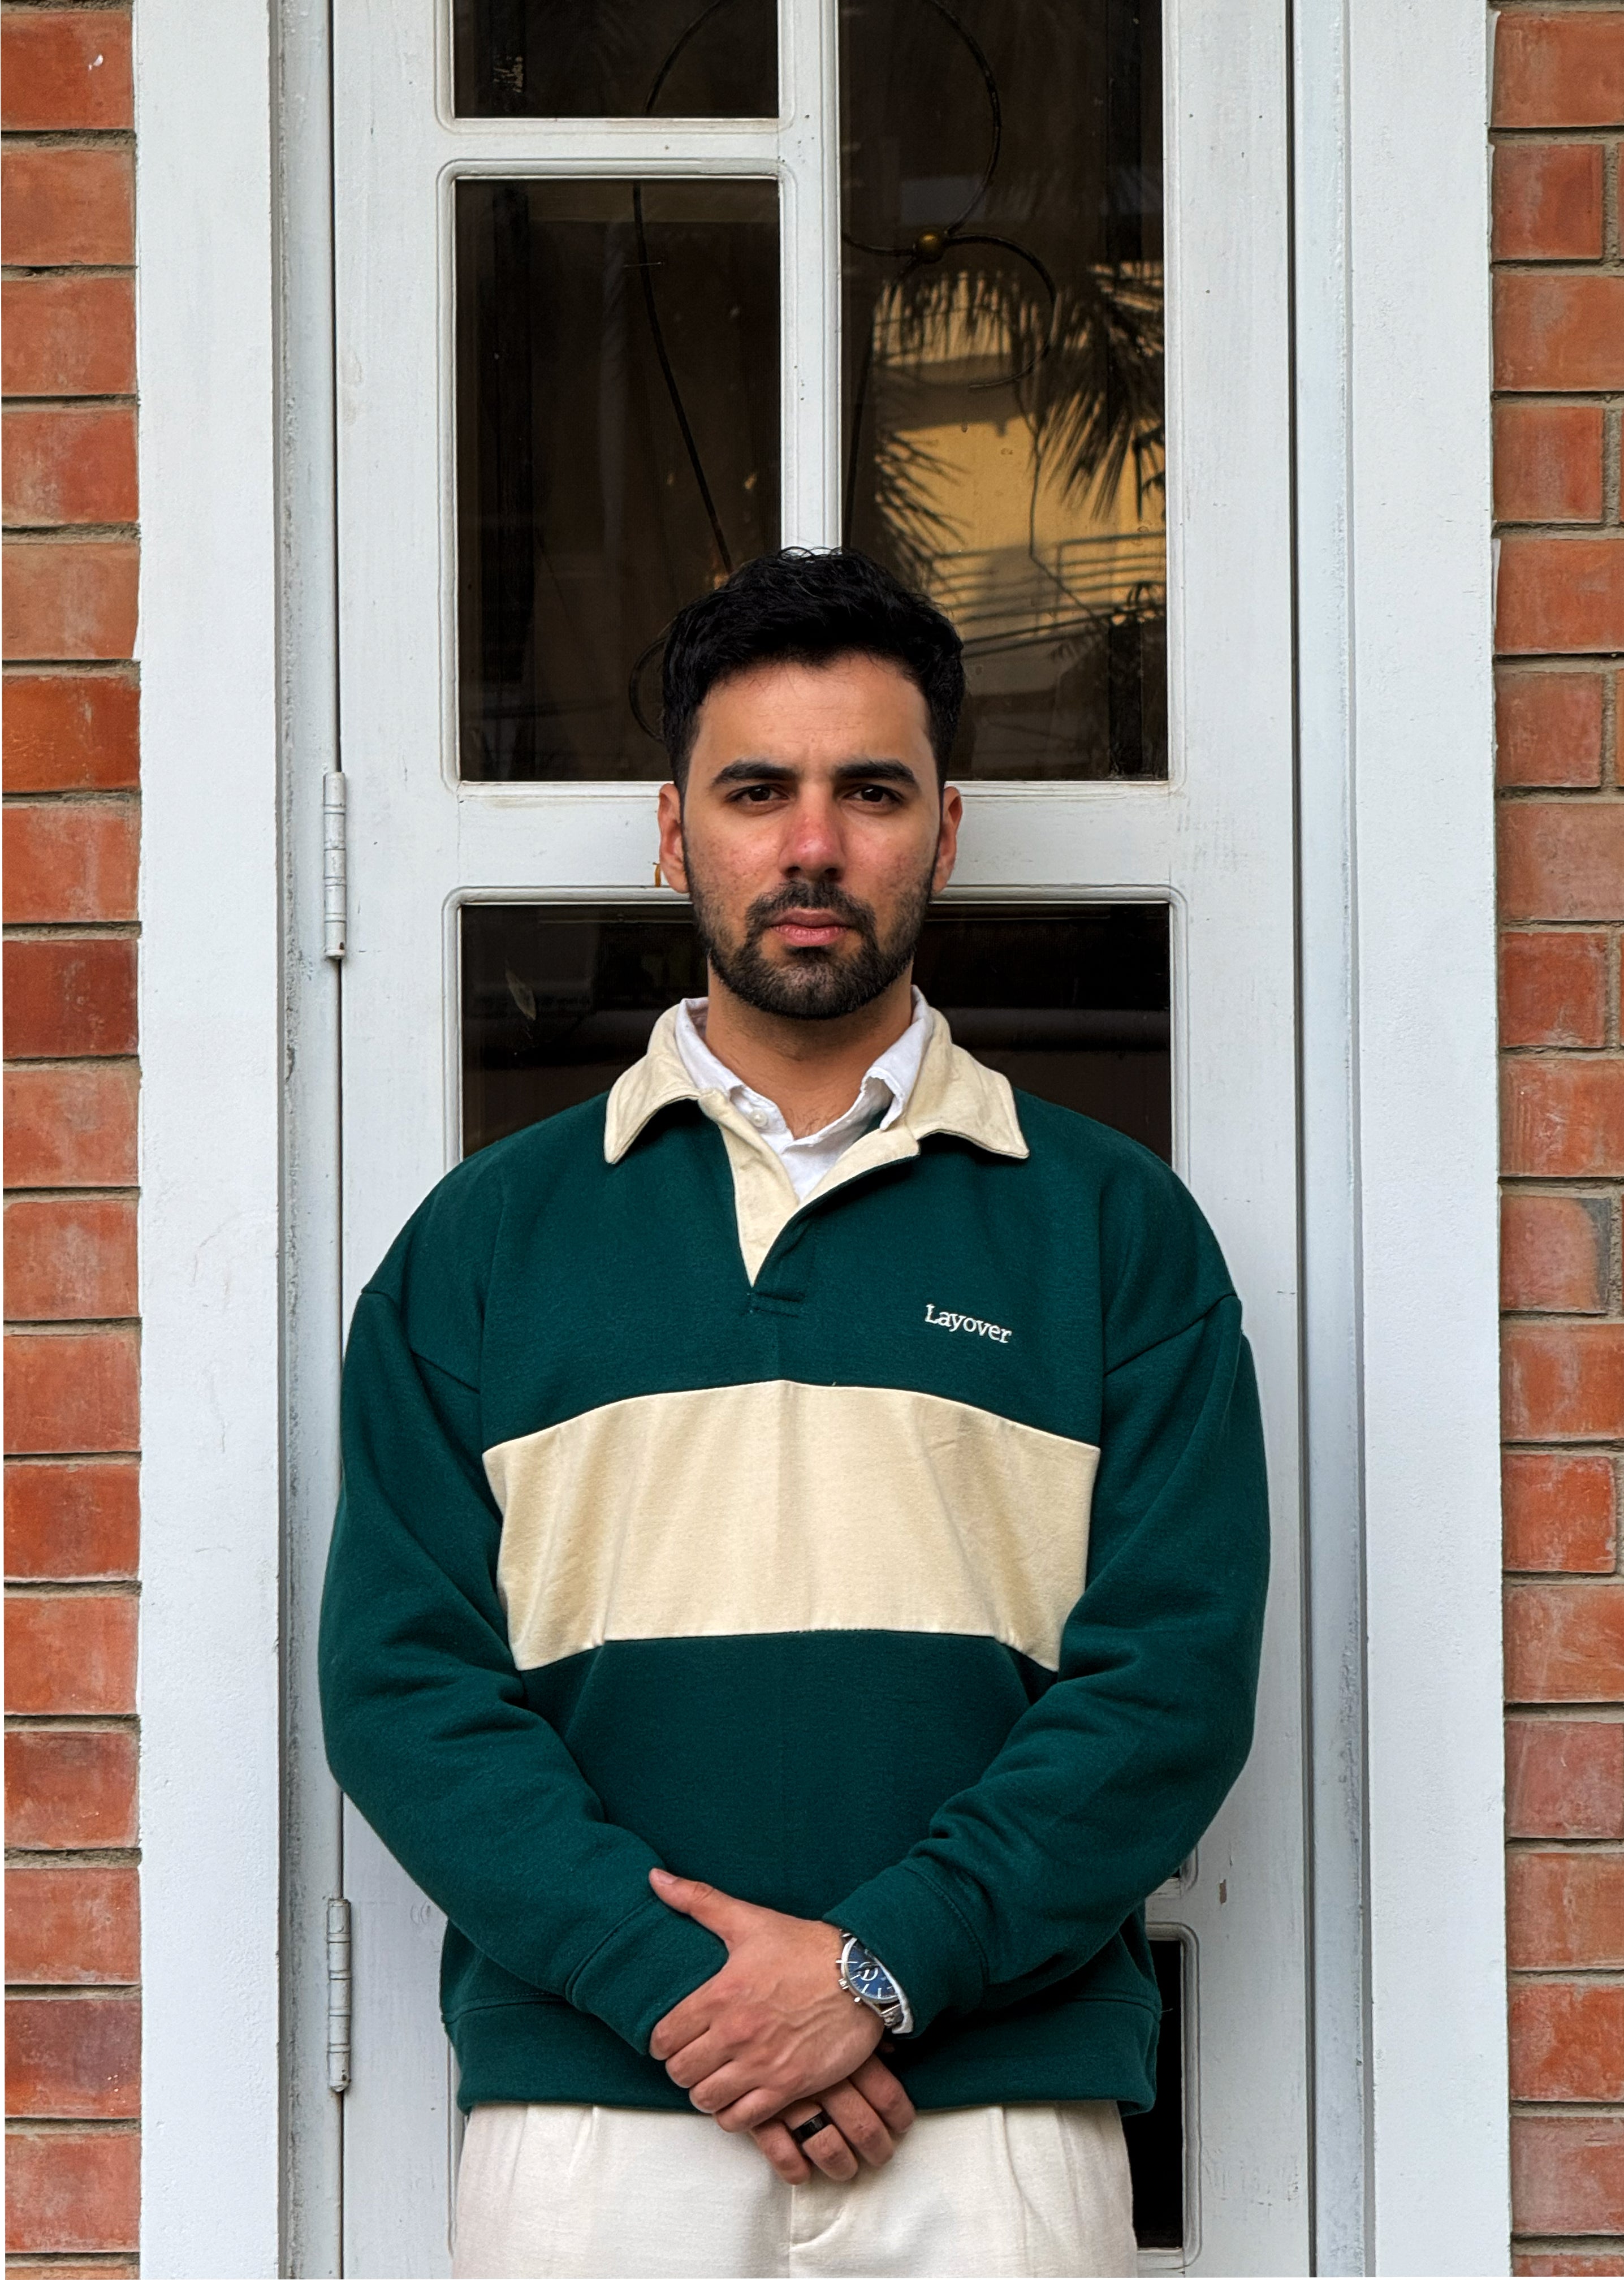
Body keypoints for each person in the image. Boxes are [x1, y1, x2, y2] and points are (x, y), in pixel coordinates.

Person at [319, 547, 1269, 2279]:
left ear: (945, 831)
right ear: (673, 833)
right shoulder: (488, 1242)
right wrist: (703, 1999)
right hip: (602, 2122)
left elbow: (1171, 1685)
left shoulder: (1114, 1231)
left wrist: (878, 1974)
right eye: (757, 792)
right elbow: (405, 1691)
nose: (813, 844)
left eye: (870, 792)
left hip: (990, 2129)